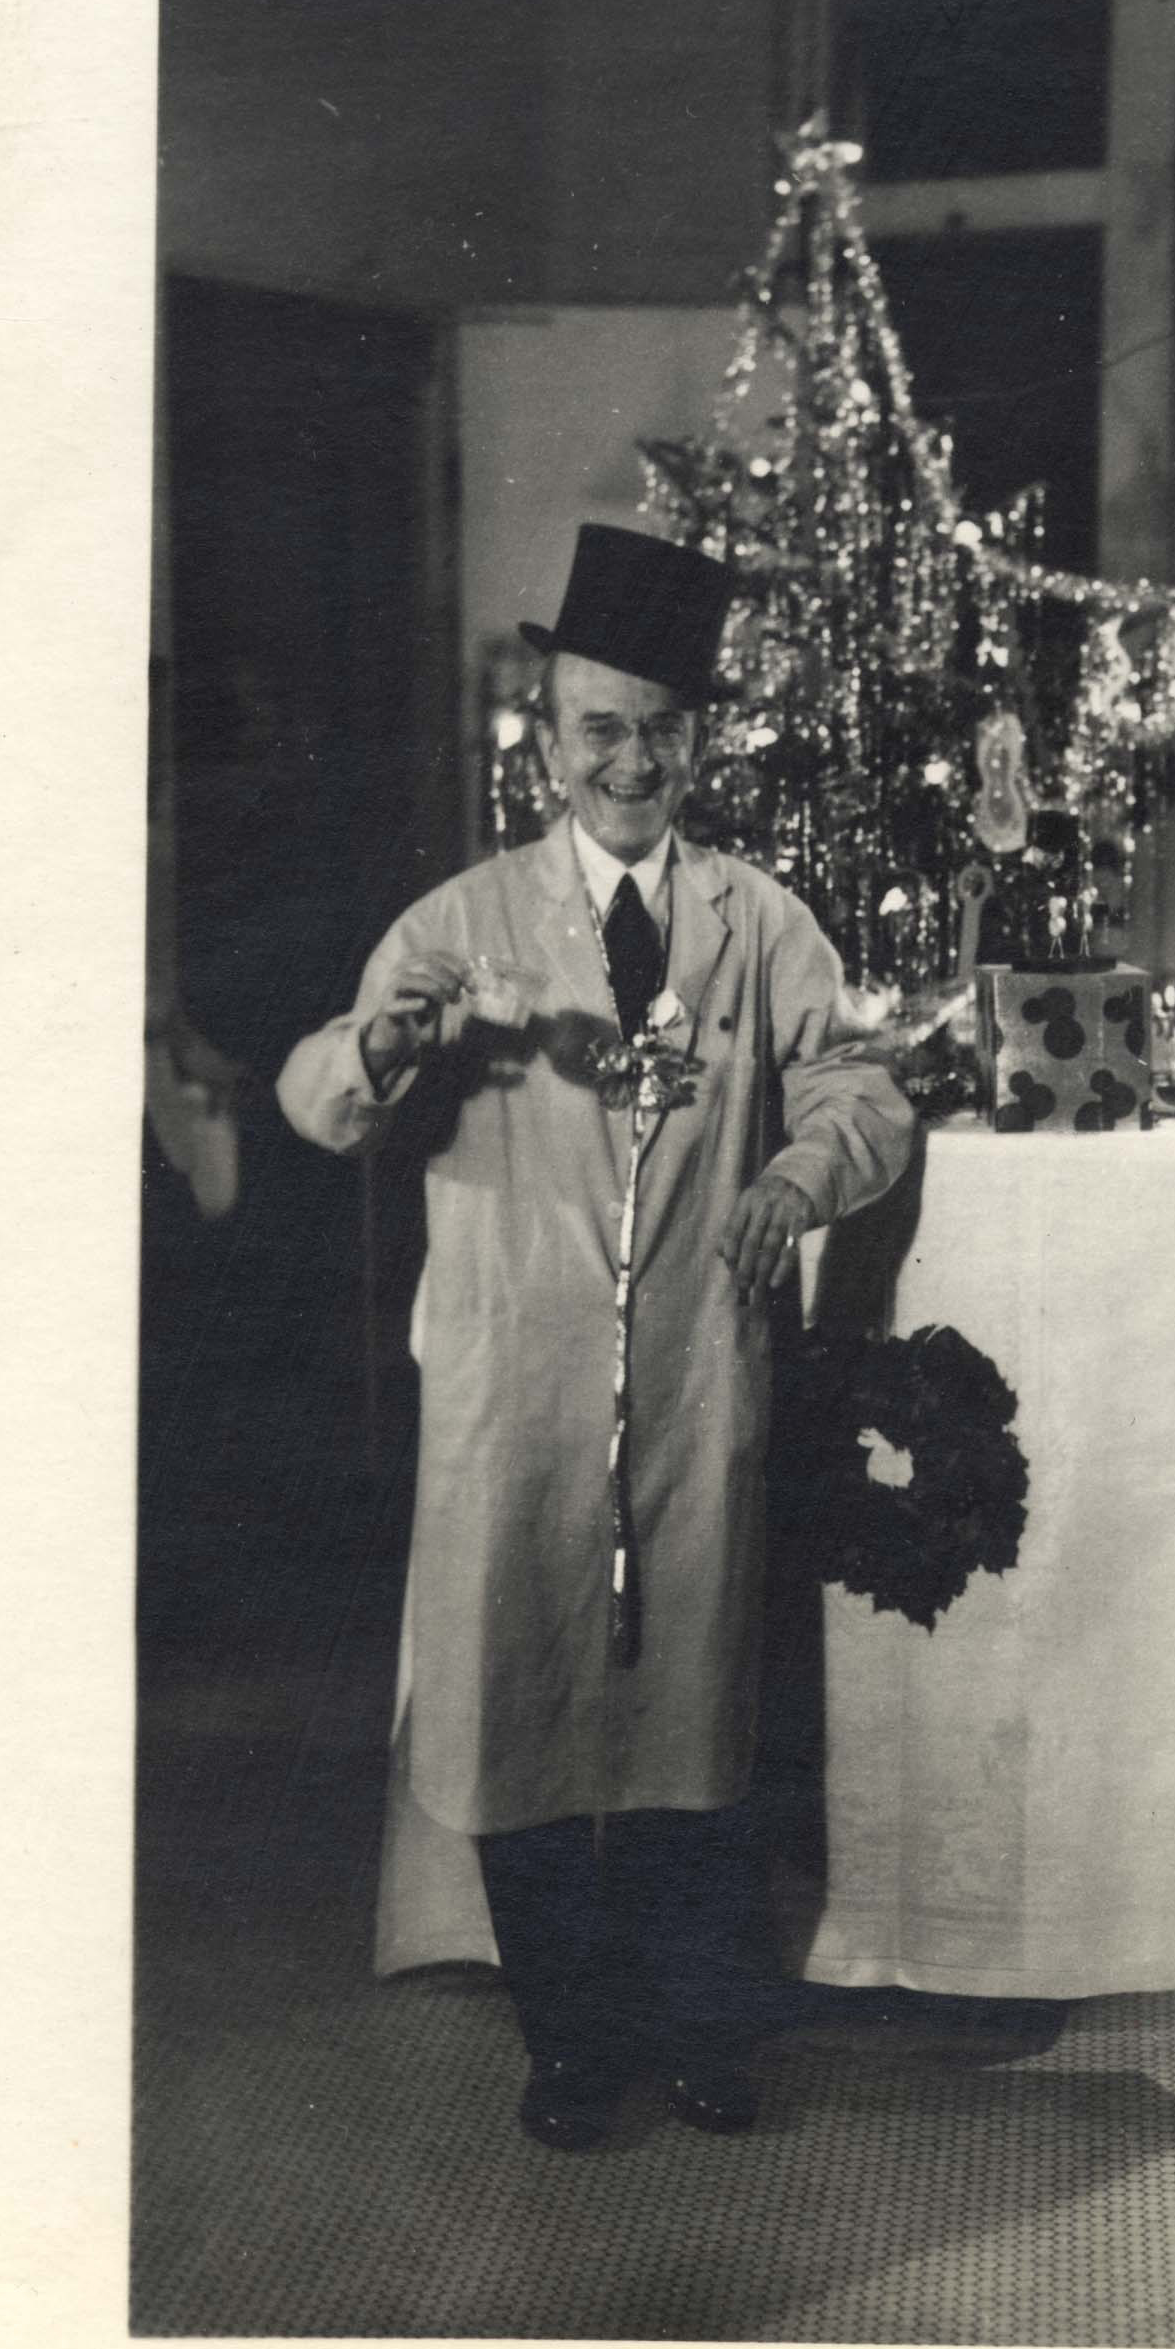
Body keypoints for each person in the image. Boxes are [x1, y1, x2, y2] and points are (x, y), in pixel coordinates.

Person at [279, 523, 915, 2150]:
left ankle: (700, 2029)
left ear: (700, 742)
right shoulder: (463, 925)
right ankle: (568, 2041)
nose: (630, 763)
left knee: (691, 1712)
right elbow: (323, 1100)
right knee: (524, 1704)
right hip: (519, 1381)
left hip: (696, 1372)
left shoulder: (759, 922)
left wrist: (797, 1170)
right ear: (547, 742)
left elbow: (858, 1089)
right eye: (599, 730)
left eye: (661, 731)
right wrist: (386, 1043)